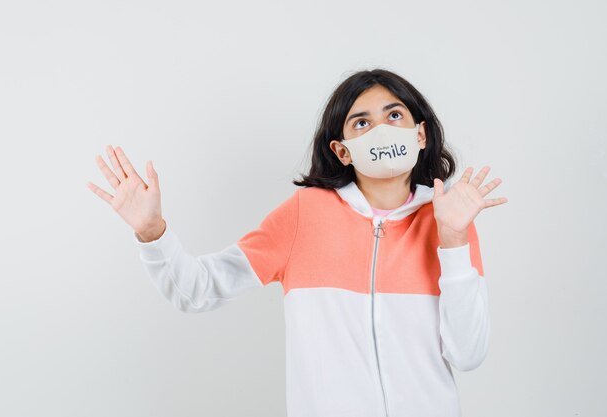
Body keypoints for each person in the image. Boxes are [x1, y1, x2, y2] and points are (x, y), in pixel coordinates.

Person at [87, 68, 508, 417]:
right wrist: (152, 231)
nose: (380, 130)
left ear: (420, 135)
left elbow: (467, 354)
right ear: (343, 151)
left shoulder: (449, 220)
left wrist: (452, 240)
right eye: (362, 122)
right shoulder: (305, 213)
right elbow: (197, 290)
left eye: (394, 115)